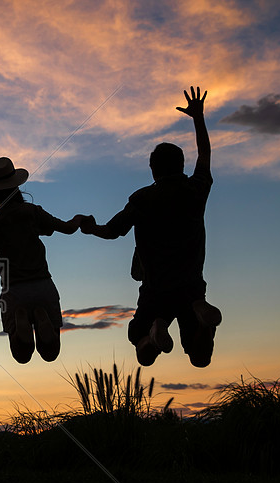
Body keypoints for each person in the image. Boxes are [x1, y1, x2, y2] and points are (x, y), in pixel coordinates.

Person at [80, 86, 222, 368]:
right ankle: (204, 325)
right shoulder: (196, 189)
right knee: (200, 358)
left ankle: (155, 335)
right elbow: (205, 154)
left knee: (140, 347)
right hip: (192, 286)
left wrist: (90, 228)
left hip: (156, 289)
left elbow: (112, 231)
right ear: (182, 166)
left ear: (153, 171)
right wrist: (198, 118)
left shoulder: (142, 198)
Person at [0, 157, 86, 363]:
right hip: (43, 285)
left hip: (14, 291)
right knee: (51, 353)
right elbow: (67, 228)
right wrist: (79, 219)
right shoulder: (32, 212)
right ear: (17, 186)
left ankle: (22, 321)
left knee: (21, 355)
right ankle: (41, 317)